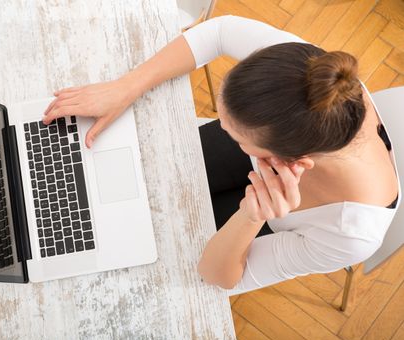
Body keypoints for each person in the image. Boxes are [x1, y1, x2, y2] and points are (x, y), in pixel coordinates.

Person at [41, 15, 401, 295]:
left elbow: (218, 276)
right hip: (263, 160)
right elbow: (220, 32)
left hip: (260, 221)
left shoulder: (350, 234)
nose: (216, 123)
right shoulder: (307, 77)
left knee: (148, 261)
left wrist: (250, 216)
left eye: (235, 133)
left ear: (291, 163)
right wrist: (125, 87)